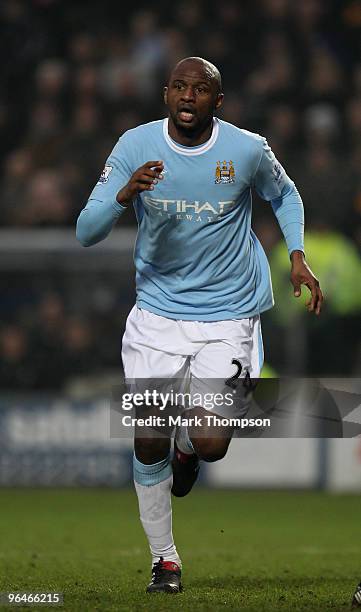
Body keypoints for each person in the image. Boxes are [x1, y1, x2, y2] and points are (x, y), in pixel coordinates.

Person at [76, 56, 323, 594]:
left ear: (219, 101)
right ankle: (164, 561)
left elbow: (286, 194)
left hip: (230, 312)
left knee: (211, 443)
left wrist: (297, 254)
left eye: (201, 89)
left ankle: (190, 448)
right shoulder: (135, 147)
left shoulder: (247, 149)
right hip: (157, 317)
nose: (189, 96)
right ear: (166, 94)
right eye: (180, 87)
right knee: (146, 441)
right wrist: (124, 196)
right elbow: (85, 231)